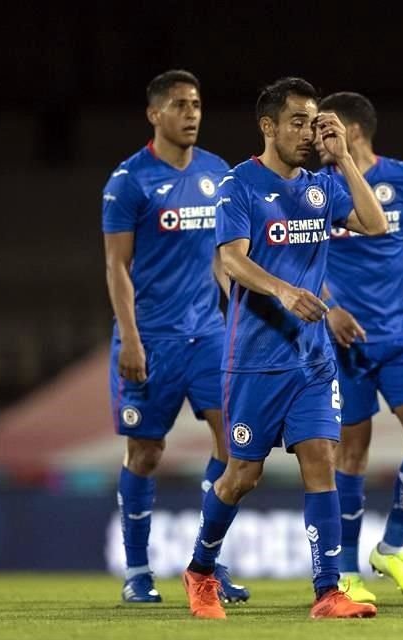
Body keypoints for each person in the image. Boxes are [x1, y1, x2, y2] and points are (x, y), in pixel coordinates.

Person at [180, 77, 388, 620]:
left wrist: (343, 159)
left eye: (314, 121)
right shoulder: (239, 184)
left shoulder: (321, 183)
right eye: (296, 121)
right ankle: (201, 571)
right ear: (268, 126)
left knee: (321, 460)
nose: (307, 131)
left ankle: (327, 592)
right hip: (255, 360)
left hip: (312, 360)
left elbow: (375, 221)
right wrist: (284, 290)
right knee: (241, 476)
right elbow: (231, 259)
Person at [102, 69, 247, 604]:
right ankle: (138, 573)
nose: (192, 114)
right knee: (145, 452)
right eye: (181, 105)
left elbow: (225, 256)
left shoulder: (218, 173)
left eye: (197, 104)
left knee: (232, 445)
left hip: (208, 335)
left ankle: (207, 566)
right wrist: (132, 339)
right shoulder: (129, 182)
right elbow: (117, 267)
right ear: (154, 114)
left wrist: (238, 316)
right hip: (152, 339)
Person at [315, 92, 403, 602]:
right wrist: (328, 306)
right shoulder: (316, 188)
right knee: (351, 452)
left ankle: (391, 547)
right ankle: (348, 570)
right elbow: (297, 259)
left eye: (324, 126)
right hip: (342, 340)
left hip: (400, 336)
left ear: (352, 130)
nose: (314, 136)